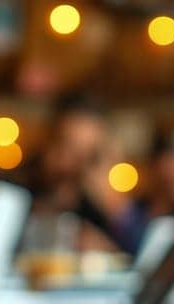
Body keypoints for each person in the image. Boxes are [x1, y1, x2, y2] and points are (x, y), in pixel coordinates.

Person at [18, 94, 144, 254]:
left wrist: (115, 208)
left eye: (90, 154)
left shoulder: (102, 206)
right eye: (68, 148)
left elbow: (144, 255)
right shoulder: (18, 192)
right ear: (48, 142)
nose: (79, 164)